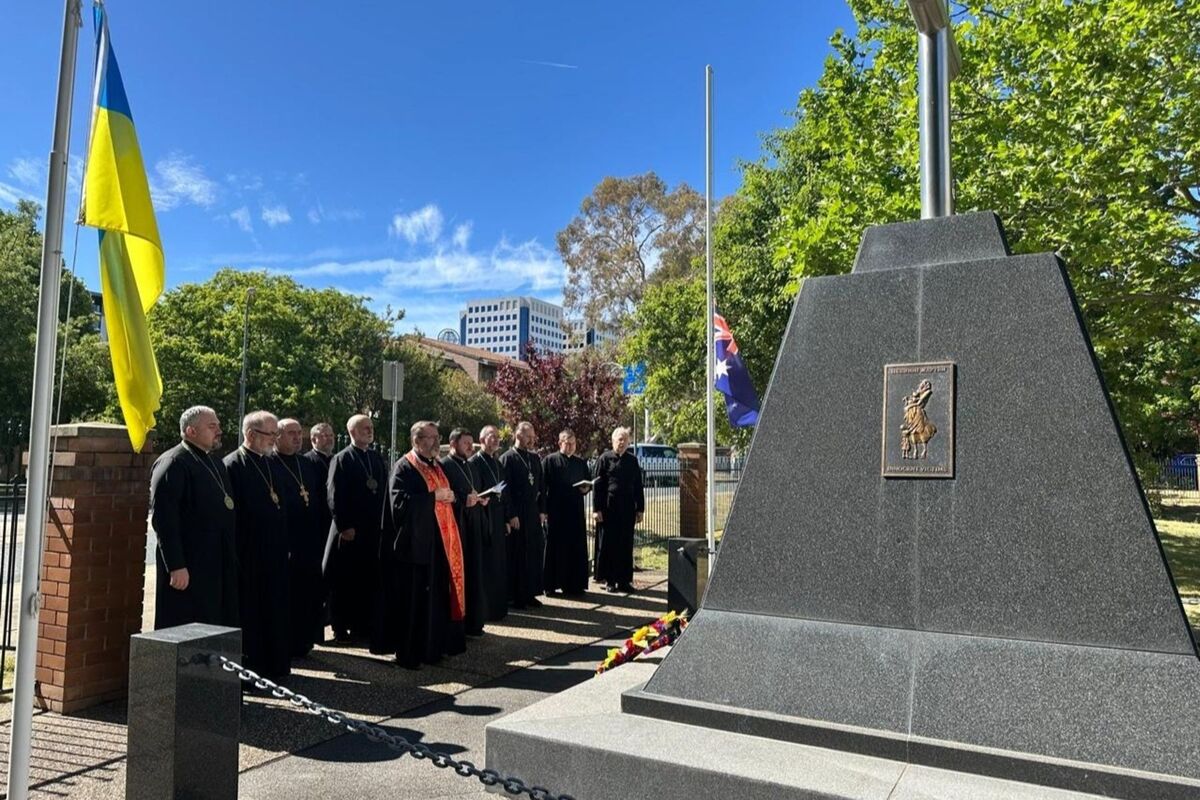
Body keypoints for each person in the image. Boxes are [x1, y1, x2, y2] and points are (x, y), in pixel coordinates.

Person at [374, 421, 466, 668]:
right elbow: (399, 506)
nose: (436, 442)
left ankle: (432, 649)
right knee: (413, 603)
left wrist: (452, 496)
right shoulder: (404, 467)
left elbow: (447, 496)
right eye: (430, 437)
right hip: (413, 549)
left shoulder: (436, 465)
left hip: (438, 546)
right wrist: (432, 497)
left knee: (435, 600)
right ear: (416, 440)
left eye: (437, 436)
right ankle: (409, 653)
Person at [149, 406, 239, 631]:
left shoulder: (215, 463)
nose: (219, 430)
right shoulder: (173, 463)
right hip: (188, 566)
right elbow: (164, 520)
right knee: (186, 623)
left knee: (214, 622)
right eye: (212, 426)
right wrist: (176, 565)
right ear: (191, 431)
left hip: (216, 563)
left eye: (218, 425)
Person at [224, 410, 291, 680]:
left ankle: (275, 665)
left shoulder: (271, 463)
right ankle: (253, 670)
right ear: (251, 434)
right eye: (271, 434)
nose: (275, 440)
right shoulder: (232, 465)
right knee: (252, 612)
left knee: (275, 609)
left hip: (275, 553)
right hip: (248, 554)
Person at [326, 414, 388, 642]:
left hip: (372, 531)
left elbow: (382, 492)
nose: (369, 431)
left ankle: (363, 626)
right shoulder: (341, 459)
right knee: (345, 582)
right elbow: (334, 496)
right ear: (352, 432)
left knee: (367, 581)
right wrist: (344, 526)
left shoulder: (376, 458)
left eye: (371, 427)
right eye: (364, 428)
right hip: (350, 531)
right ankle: (340, 627)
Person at [271, 418, 328, 658]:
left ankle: (305, 640)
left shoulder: (306, 464)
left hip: (309, 542)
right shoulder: (270, 464)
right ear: (277, 436)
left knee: (308, 594)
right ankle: (287, 642)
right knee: (288, 596)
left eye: (299, 433)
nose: (297, 438)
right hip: (286, 542)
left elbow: (315, 497)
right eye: (291, 433)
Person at [441, 428, 489, 637]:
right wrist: (464, 500)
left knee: (475, 573)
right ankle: (459, 623)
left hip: (474, 525)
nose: (470, 447)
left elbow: (473, 490)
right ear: (453, 444)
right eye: (466, 443)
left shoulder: (470, 466)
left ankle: (474, 622)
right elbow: (447, 497)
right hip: (457, 526)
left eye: (471, 443)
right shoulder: (445, 466)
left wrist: (481, 499)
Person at [499, 421, 546, 608]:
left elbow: (541, 485)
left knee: (533, 553)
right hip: (517, 512)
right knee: (518, 554)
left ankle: (530, 593)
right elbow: (505, 490)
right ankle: (516, 595)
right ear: (518, 435)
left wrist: (542, 510)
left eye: (533, 437)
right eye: (528, 436)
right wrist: (511, 514)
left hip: (533, 512)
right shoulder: (507, 458)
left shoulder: (534, 458)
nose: (531, 440)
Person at [593, 426, 645, 594]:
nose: (622, 443)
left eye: (625, 440)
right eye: (619, 439)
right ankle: (610, 580)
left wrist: (640, 509)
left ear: (628, 442)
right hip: (609, 508)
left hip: (627, 508)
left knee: (625, 545)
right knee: (609, 544)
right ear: (613, 441)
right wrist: (597, 509)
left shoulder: (632, 460)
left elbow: (638, 486)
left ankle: (624, 581)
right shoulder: (604, 459)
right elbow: (597, 487)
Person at [542, 429, 592, 596]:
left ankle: (574, 584)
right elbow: (543, 488)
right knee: (555, 548)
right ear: (559, 443)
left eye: (573, 443)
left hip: (575, 511)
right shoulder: (549, 461)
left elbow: (587, 484)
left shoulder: (580, 463)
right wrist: (543, 510)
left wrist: (586, 489)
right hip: (556, 511)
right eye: (567, 443)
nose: (570, 446)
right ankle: (551, 584)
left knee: (575, 548)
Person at [470, 425, 509, 622]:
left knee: (498, 563)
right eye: (491, 437)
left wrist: (508, 518)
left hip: (498, 515)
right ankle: (485, 608)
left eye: (497, 437)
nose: (496, 440)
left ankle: (498, 606)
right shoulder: (474, 462)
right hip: (483, 516)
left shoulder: (497, 462)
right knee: (487, 563)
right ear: (482, 439)